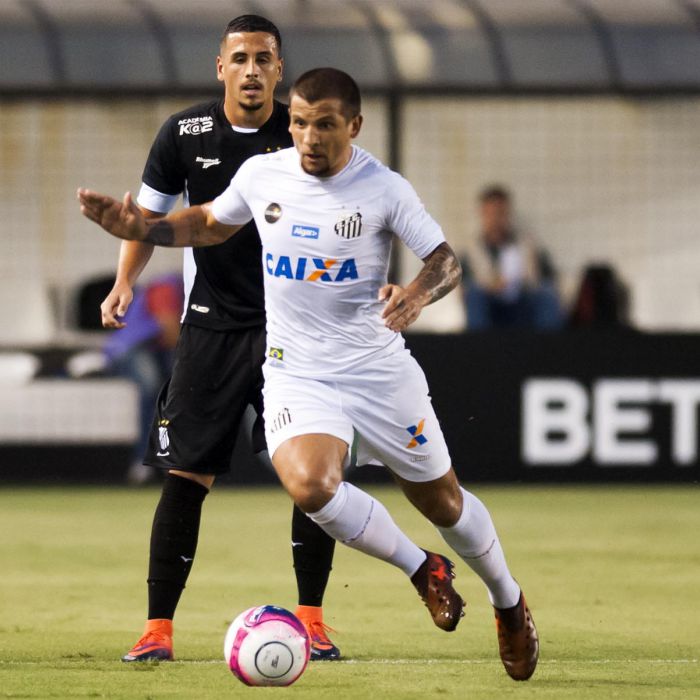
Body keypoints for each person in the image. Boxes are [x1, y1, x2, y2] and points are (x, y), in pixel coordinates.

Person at [79, 67, 540, 681]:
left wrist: (419, 294)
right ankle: (419, 566)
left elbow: (445, 261)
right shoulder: (264, 174)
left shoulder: (383, 187)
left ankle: (507, 601)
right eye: (299, 122)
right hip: (299, 372)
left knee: (444, 502)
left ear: (353, 125)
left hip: (377, 371)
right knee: (310, 486)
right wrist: (144, 228)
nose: (309, 137)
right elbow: (211, 223)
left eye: (324, 124)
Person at [97, 15, 341, 662]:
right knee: (186, 474)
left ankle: (313, 622)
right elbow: (145, 220)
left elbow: (341, 216)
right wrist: (124, 285)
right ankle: (157, 631)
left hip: (292, 330)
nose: (252, 69)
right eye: (240, 58)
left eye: (264, 58)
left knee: (311, 478)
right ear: (220, 67)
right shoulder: (185, 132)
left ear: (280, 69)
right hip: (210, 328)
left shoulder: (303, 134)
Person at [103, 272, 183, 483]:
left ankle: (168, 459)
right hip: (128, 349)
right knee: (152, 387)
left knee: (170, 391)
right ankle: (143, 461)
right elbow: (171, 332)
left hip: (154, 348)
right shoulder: (167, 286)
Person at [463, 185, 563, 330]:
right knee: (474, 295)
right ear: (482, 214)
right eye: (491, 213)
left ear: (508, 214)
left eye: (500, 213)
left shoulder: (529, 244)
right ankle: (480, 347)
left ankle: (548, 347)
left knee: (547, 293)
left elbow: (549, 278)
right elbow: (463, 287)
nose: (495, 219)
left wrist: (522, 282)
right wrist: (491, 286)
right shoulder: (470, 250)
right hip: (489, 305)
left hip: (522, 302)